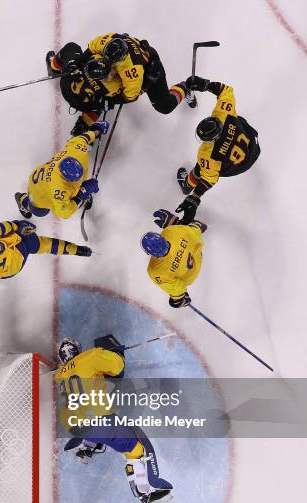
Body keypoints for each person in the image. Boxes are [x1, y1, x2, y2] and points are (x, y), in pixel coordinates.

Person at [55, 335, 173, 503]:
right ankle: (149, 491)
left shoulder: (59, 374)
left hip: (75, 426)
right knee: (138, 446)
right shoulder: (91, 357)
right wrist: (113, 352)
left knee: (102, 419)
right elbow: (118, 367)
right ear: (78, 350)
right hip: (98, 422)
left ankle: (88, 446)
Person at [46, 32, 192, 135]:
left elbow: (130, 96)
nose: (111, 73)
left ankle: (186, 87)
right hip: (122, 45)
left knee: (164, 106)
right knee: (100, 100)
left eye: (112, 69)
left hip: (149, 66)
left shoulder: (133, 71)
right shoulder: (107, 41)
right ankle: (85, 122)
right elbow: (90, 50)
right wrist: (76, 62)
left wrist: (110, 101)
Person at [175, 76, 261, 224]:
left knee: (200, 170)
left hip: (235, 166)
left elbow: (209, 179)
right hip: (252, 147)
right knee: (208, 166)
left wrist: (195, 196)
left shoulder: (207, 154)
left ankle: (187, 185)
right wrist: (206, 85)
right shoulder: (224, 114)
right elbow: (226, 90)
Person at [15, 121, 109, 219]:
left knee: (73, 191)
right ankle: (23, 200)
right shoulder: (58, 189)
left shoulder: (76, 151)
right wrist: (81, 195)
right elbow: (63, 213)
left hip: (41, 177)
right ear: (65, 178)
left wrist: (96, 131)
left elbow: (82, 139)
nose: (79, 179)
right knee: (40, 211)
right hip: (38, 189)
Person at [141, 210, 207, 308]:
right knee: (190, 230)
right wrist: (195, 227)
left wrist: (179, 299)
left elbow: (177, 289)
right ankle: (181, 224)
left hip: (189, 278)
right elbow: (195, 233)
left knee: (174, 302)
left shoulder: (155, 271)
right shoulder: (170, 231)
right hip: (197, 257)